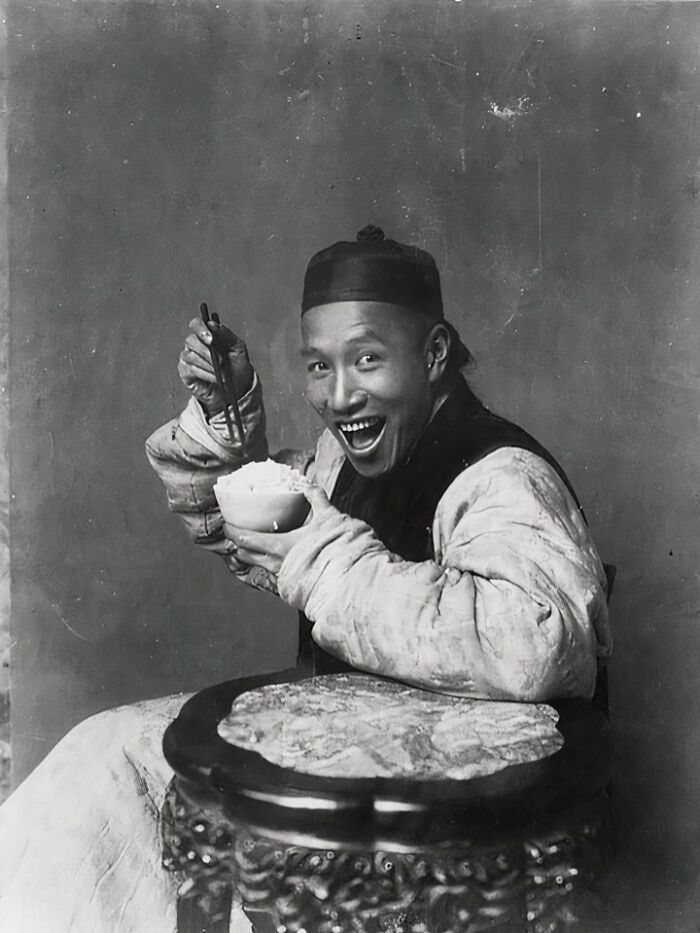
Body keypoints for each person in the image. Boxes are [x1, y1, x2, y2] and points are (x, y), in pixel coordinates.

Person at [0, 226, 611, 932]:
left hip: (449, 813)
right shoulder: (345, 462)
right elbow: (262, 524)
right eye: (318, 367)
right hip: (348, 764)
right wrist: (225, 409)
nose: (340, 395)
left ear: (436, 353)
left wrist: (321, 556)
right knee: (102, 764)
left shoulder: (502, 475)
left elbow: (537, 647)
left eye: (369, 359)